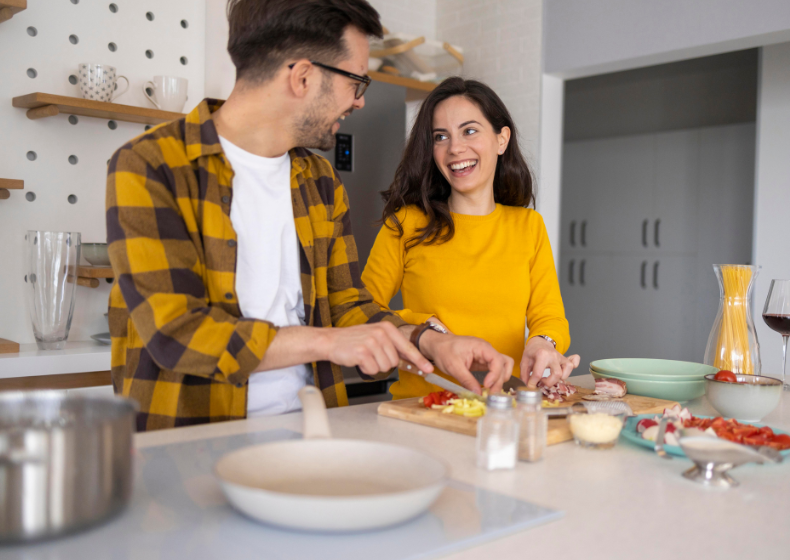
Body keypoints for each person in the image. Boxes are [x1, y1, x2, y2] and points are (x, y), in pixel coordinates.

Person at [105, 0, 512, 431]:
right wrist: (330, 342)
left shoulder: (317, 179)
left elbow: (346, 306)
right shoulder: (151, 165)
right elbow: (177, 333)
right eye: (357, 82)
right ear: (302, 77)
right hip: (191, 444)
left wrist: (431, 341)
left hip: (312, 432)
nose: (358, 102)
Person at [361, 78, 581, 401]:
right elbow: (362, 312)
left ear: (501, 139)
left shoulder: (529, 226)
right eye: (441, 136)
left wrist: (542, 343)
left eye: (469, 131)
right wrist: (427, 330)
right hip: (422, 411)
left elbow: (549, 317)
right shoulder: (406, 224)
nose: (455, 148)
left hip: (501, 410)